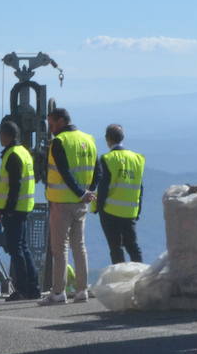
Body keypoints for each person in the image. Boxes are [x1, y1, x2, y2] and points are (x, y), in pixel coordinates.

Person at [41, 107, 96, 305]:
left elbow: (64, 172)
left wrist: (80, 192)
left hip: (61, 201)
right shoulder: (88, 139)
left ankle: (58, 292)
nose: (50, 128)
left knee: (60, 248)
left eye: (52, 123)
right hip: (81, 203)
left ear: (61, 121)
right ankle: (82, 290)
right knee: (79, 247)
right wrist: (88, 192)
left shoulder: (59, 142)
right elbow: (96, 169)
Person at [0, 121, 41, 301]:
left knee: (17, 250)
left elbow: (14, 186)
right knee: (23, 248)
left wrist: (7, 210)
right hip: (24, 207)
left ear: (6, 135)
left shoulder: (13, 155)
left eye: (0, 134)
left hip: (14, 210)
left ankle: (23, 289)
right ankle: (33, 287)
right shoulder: (23, 152)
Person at [92, 124, 144, 265]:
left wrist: (98, 207)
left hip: (110, 211)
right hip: (130, 211)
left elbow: (103, 187)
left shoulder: (107, 159)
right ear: (123, 138)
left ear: (107, 139)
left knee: (115, 248)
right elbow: (140, 187)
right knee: (132, 246)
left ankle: (120, 278)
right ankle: (141, 275)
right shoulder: (137, 159)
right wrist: (138, 210)